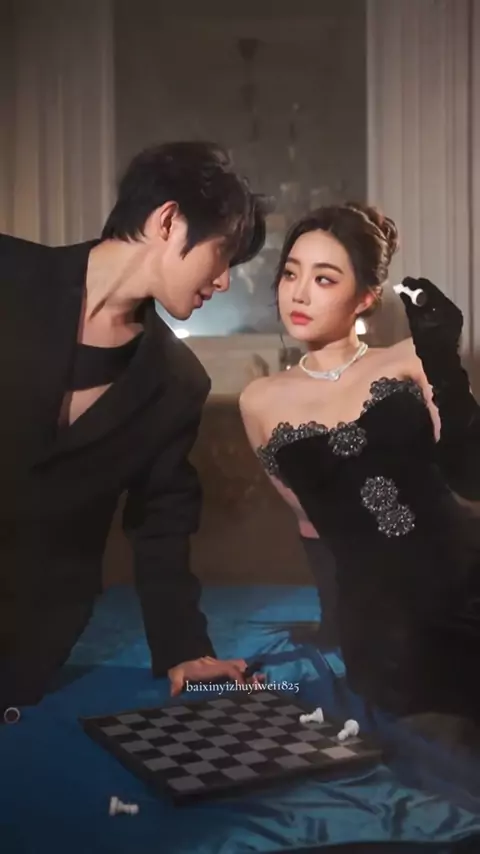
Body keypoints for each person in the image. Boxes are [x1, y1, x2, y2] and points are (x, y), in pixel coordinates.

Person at [0, 141, 267, 715]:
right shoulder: (9, 273)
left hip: (30, 637)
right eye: (223, 255)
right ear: (168, 221)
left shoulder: (177, 383)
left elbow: (160, 523)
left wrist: (186, 649)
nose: (224, 281)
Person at [240, 201, 480, 723]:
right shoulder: (259, 401)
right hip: (379, 628)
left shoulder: (410, 357)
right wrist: (332, 623)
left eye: (324, 279)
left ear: (366, 297)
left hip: (466, 579)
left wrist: (444, 359)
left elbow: (470, 474)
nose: (299, 293)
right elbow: (309, 521)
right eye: (290, 274)